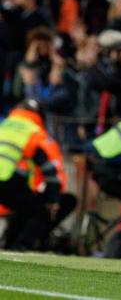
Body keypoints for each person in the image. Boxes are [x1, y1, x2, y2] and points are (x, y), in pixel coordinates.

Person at [0, 100, 62, 250]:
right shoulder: (34, 132)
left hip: (7, 183)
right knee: (38, 209)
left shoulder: (4, 125)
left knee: (23, 207)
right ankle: (17, 247)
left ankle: (9, 244)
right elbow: (50, 169)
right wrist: (52, 198)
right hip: (6, 181)